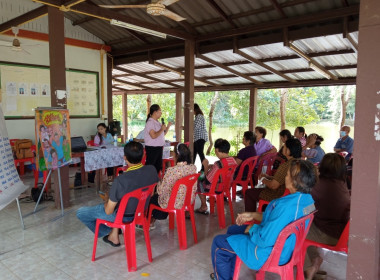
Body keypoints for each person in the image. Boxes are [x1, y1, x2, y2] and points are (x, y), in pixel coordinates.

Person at [210, 160, 317, 280]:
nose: (285, 178)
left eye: (287, 175)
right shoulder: (308, 201)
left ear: (295, 181)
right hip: (288, 248)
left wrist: (252, 228)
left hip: (269, 253)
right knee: (233, 229)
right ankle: (229, 271)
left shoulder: (286, 207)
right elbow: (277, 219)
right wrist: (253, 215)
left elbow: (264, 240)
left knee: (218, 242)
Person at [76, 141, 159, 247]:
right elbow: (151, 194)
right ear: (143, 154)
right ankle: (114, 232)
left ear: (125, 158)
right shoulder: (152, 170)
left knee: (81, 212)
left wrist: (107, 199)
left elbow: (108, 211)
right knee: (118, 203)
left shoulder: (121, 180)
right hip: (140, 213)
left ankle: (109, 232)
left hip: (122, 216)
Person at [304, 153, 350, 280]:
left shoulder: (322, 184)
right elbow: (318, 205)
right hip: (341, 232)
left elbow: (306, 206)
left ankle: (309, 267)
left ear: (322, 167)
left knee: (296, 228)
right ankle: (315, 260)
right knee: (306, 221)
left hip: (329, 233)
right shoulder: (342, 183)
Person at [245, 138, 302, 212]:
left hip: (279, 195)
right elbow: (281, 179)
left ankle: (249, 218)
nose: (282, 148)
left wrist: (263, 179)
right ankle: (264, 212)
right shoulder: (300, 163)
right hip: (292, 195)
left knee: (249, 193)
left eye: (284, 146)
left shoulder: (286, 165)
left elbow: (273, 186)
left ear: (288, 151)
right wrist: (268, 177)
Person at [148, 143, 197, 226]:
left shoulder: (172, 171)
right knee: (162, 197)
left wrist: (159, 182)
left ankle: (150, 221)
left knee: (152, 199)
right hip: (187, 200)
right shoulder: (193, 168)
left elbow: (161, 191)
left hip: (174, 203)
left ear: (176, 155)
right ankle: (154, 219)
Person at [195, 139, 237, 214]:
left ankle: (203, 206)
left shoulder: (218, 164)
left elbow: (207, 180)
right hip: (226, 186)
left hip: (216, 188)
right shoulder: (233, 160)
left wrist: (206, 167)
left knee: (199, 181)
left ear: (217, 150)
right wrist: (212, 168)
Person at [144, 104, 172, 173]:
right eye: (160, 111)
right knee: (151, 167)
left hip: (158, 148)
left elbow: (162, 134)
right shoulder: (150, 122)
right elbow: (153, 136)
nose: (161, 113)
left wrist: (167, 127)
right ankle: (149, 182)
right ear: (155, 112)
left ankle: (155, 183)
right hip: (152, 148)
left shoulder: (157, 122)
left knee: (157, 167)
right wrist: (162, 129)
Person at [193, 103, 208, 170]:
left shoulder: (199, 116)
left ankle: (204, 169)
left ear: (194, 109)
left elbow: (195, 127)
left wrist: (185, 127)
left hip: (200, 137)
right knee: (194, 153)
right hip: (198, 138)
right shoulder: (198, 116)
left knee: (200, 153)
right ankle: (191, 167)